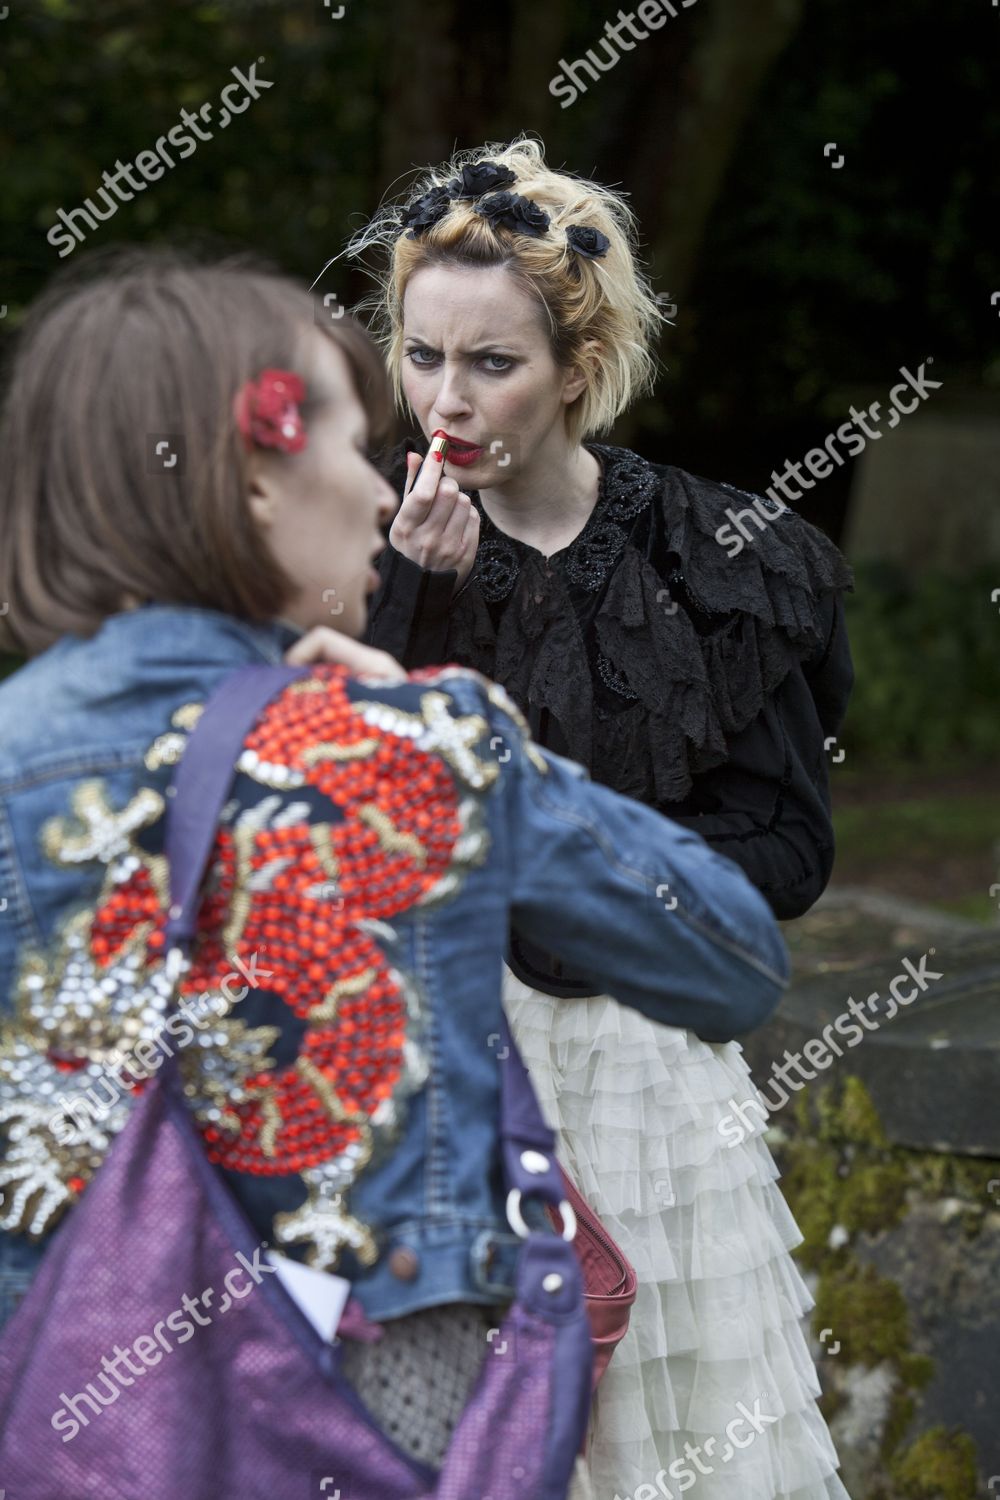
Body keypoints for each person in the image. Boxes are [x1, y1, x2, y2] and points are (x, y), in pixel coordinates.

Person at [0, 247, 789, 1495]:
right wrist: (492, 754)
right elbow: (730, 960)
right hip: (371, 1408)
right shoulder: (405, 748)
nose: (382, 493)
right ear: (251, 476)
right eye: (346, 438)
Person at [348, 137, 855, 1496]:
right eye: (420, 355)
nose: (444, 399)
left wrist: (599, 888)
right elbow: (341, 830)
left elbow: (791, 848)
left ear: (577, 368)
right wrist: (416, 603)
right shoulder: (351, 550)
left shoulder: (718, 564)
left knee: (678, 1455)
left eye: (491, 362)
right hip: (440, 1078)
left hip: (647, 1077)